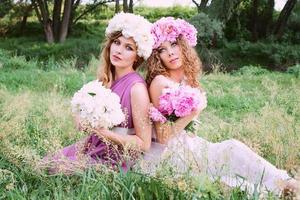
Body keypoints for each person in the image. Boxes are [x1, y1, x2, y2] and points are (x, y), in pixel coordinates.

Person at [143, 17, 298, 197]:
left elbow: (181, 127)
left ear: (184, 45)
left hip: (187, 144)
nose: (170, 53)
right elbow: (163, 137)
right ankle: (286, 185)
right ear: (157, 56)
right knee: (230, 155)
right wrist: (194, 113)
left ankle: (286, 185)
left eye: (174, 44)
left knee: (233, 153)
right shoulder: (160, 82)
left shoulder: (183, 78)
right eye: (162, 49)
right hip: (169, 154)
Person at [41, 13, 154, 174]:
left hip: (115, 156)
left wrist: (106, 134)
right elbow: (84, 109)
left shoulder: (137, 88)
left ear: (137, 56)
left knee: (57, 169)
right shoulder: (105, 78)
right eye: (117, 42)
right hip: (92, 145)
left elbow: (144, 143)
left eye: (128, 47)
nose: (119, 50)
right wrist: (82, 118)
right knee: (45, 164)